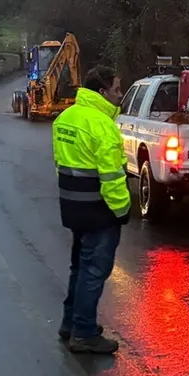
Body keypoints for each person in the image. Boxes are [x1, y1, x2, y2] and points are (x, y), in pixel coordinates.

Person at [52, 65, 131, 354]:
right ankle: (84, 332)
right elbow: (112, 178)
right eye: (116, 89)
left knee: (79, 267)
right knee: (94, 271)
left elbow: (61, 163)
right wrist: (122, 210)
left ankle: (71, 322)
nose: (120, 94)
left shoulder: (66, 117)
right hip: (99, 210)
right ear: (102, 91)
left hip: (73, 205)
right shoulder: (101, 125)